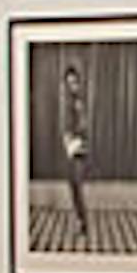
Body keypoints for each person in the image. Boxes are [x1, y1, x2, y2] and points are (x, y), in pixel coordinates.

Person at [60, 60, 92, 240]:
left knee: (76, 187)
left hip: (77, 148)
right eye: (68, 82)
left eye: (73, 82)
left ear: (78, 82)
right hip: (71, 147)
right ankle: (80, 222)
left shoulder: (78, 101)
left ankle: (82, 225)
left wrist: (73, 141)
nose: (71, 85)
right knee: (73, 186)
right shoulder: (71, 100)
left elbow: (82, 125)